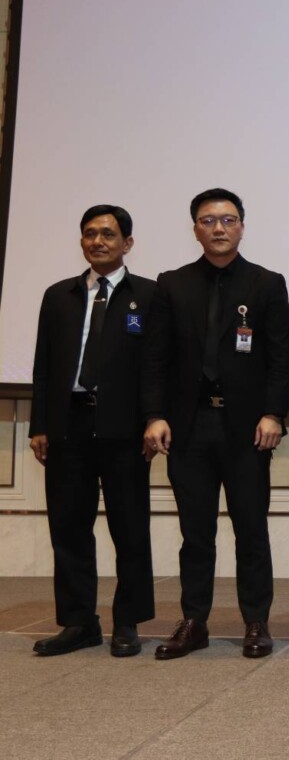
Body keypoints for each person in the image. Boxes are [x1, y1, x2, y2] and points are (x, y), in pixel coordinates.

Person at [142, 188, 289, 660]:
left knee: (251, 529)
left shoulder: (267, 283)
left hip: (247, 429)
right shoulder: (172, 284)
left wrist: (274, 413)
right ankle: (194, 621)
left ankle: (256, 621)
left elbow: (281, 358)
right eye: (208, 221)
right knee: (195, 533)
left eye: (228, 220)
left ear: (242, 227)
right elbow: (155, 358)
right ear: (195, 230)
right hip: (188, 427)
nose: (219, 228)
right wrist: (154, 415)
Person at [28, 205, 156, 657]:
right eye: (89, 233)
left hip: (125, 428)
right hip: (69, 424)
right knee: (68, 527)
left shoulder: (149, 295)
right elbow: (43, 366)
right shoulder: (58, 295)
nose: (98, 241)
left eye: (108, 234)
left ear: (127, 243)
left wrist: (154, 418)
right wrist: (40, 424)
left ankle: (128, 621)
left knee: (130, 528)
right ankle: (79, 622)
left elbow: (156, 366)